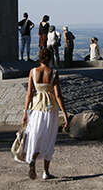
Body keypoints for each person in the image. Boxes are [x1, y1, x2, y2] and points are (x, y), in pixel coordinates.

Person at [22, 47, 70, 180]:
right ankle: (46, 172)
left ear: (40, 58)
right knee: (48, 139)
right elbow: (58, 95)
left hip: (37, 109)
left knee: (36, 136)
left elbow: (29, 94)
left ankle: (32, 158)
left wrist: (25, 113)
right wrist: (65, 115)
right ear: (50, 58)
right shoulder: (54, 73)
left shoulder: (33, 72)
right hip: (50, 109)